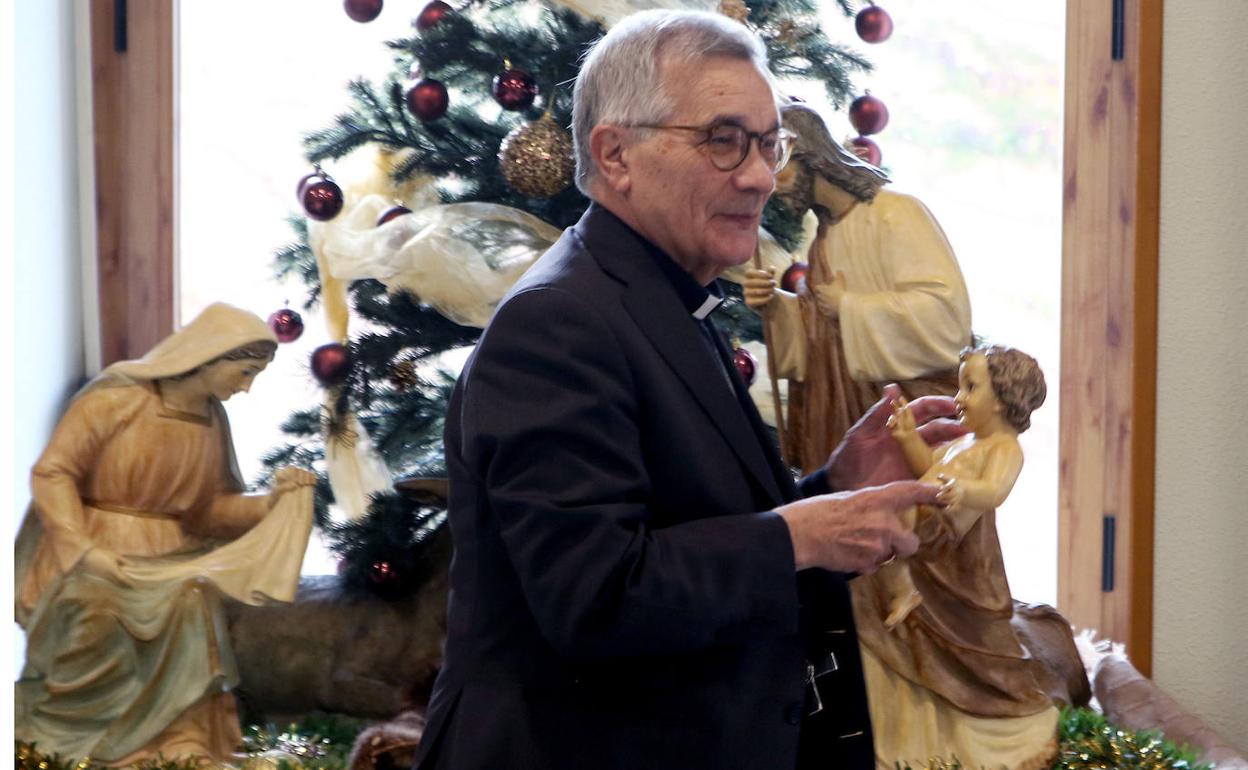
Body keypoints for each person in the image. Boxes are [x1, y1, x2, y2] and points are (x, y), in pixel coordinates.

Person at [413, 11, 962, 770]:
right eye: (724, 139)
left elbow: (690, 528)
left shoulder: (663, 293)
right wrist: (805, 533)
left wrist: (834, 488)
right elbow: (596, 594)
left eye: (771, 143)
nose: (762, 176)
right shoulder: (557, 323)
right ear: (616, 155)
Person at [14, 303, 317, 765]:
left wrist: (272, 504)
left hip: (174, 554)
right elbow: (54, 472)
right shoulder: (116, 400)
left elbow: (208, 512)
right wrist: (81, 548)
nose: (246, 386)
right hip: (95, 547)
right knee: (100, 605)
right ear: (208, 357)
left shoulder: (211, 421)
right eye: (244, 371)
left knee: (192, 600)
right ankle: (72, 742)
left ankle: (184, 743)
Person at [855, 345, 1057, 769]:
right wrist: (910, 438)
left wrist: (965, 491)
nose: (959, 397)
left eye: (971, 386)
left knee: (894, 515)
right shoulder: (966, 440)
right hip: (931, 529)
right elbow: (928, 465)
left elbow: (995, 491)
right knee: (888, 510)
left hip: (954, 541)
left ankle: (904, 583)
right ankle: (901, 582)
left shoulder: (1004, 449)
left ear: (1004, 398)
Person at [744, 103, 973, 474]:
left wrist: (851, 307)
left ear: (810, 158)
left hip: (904, 429)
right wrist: (776, 307)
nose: (771, 187)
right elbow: (820, 332)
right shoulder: (824, 236)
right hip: (841, 422)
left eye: (779, 168)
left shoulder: (896, 213)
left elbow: (947, 318)